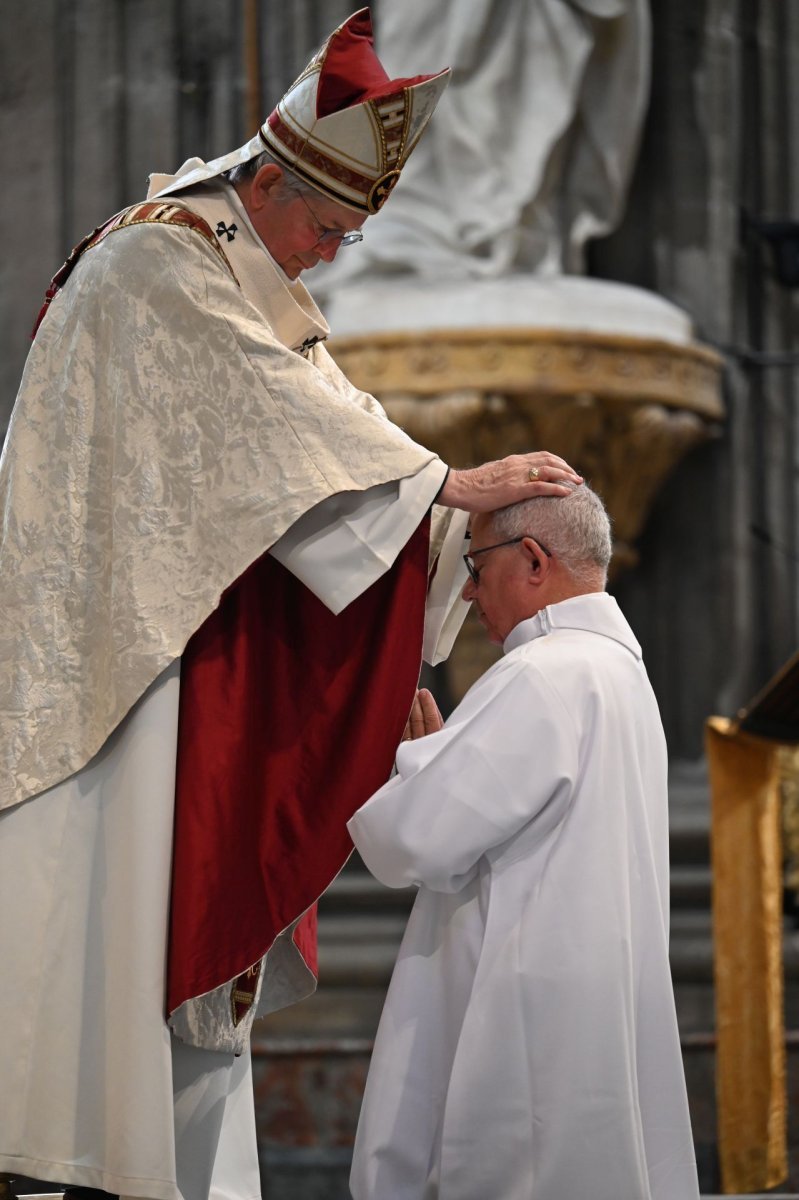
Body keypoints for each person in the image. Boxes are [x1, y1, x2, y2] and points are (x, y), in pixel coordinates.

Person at [0, 9, 582, 1200]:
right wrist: (443, 485)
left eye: (345, 238)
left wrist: (432, 524)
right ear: (267, 180)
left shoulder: (253, 271)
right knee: (113, 918)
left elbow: (331, 428)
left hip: (192, 657)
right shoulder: (159, 259)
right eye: (322, 226)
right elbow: (279, 423)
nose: (325, 255)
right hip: (119, 671)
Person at [347, 484, 700, 1200]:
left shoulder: (542, 672)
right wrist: (447, 764)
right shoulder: (619, 674)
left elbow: (409, 843)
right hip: (583, 998)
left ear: (532, 559)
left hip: (522, 1016)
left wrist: (417, 769)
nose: (471, 593)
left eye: (476, 567)